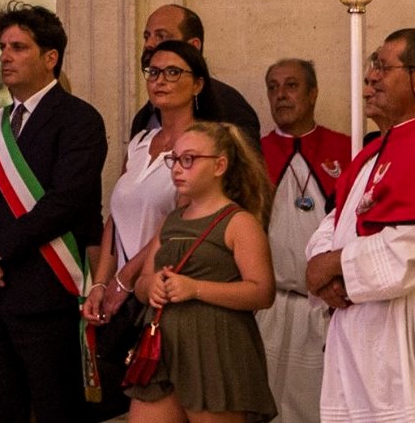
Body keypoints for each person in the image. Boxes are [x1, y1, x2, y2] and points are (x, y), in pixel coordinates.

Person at [305, 28, 415, 421]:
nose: (370, 80)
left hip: (405, 330)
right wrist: (323, 267)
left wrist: (334, 267)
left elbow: (413, 249)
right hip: (359, 333)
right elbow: (335, 221)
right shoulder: (374, 152)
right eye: (371, 70)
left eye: (382, 69)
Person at [0, 1, 108, 423]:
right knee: (0, 412)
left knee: (57, 412)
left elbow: (65, 203)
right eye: (3, 48)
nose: (5, 57)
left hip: (48, 294)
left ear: (50, 58)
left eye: (19, 47)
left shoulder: (79, 119)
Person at [84, 38, 222, 399]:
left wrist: (126, 280)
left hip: (170, 285)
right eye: (153, 72)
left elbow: (179, 219)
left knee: (172, 396)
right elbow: (115, 215)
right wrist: (101, 283)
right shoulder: (140, 142)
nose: (160, 80)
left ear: (198, 84)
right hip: (126, 285)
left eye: (173, 72)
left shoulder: (206, 144)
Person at [123, 122, 277, 422]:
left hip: (216, 350)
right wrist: (151, 285)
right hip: (163, 349)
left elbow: (262, 291)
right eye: (174, 159)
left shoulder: (239, 222)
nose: (177, 168)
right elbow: (142, 283)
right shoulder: (170, 221)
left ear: (220, 165)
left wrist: (195, 289)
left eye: (189, 159)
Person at [256, 58, 347, 423]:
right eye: (273, 87)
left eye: (291, 85)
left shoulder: (346, 149)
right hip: (267, 307)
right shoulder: (251, 153)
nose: (281, 95)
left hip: (324, 307)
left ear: (313, 93)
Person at [129, 5, 261, 140]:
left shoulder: (227, 107)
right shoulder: (143, 118)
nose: (148, 45)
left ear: (193, 47)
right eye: (147, 37)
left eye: (161, 36)